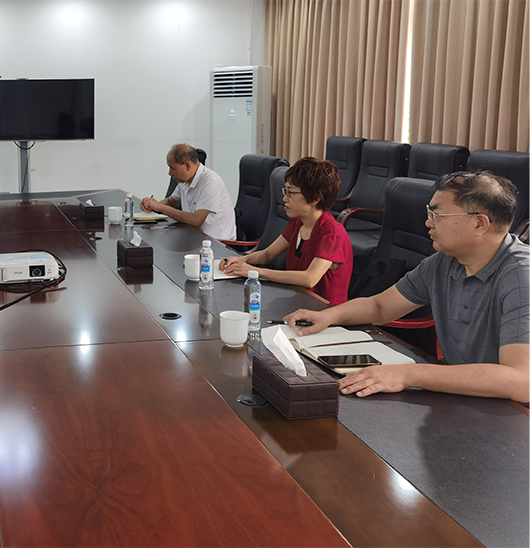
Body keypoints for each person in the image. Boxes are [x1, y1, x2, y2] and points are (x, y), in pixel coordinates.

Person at [285, 171, 530, 402]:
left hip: (512, 413)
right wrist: (328, 316)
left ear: (479, 224)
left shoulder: (521, 276)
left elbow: (521, 381)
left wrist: (406, 374)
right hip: (461, 394)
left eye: (437, 215)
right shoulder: (444, 262)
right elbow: (380, 306)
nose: (428, 223)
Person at [220, 157, 353, 305]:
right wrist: (242, 260)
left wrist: (255, 271)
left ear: (315, 198)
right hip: (297, 301)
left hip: (323, 311)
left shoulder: (332, 233)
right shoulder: (297, 223)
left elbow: (309, 279)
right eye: (285, 191)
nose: (284, 198)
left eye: (290, 192)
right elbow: (267, 254)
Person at [139, 144, 236, 240]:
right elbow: (170, 202)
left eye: (172, 168)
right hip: (195, 236)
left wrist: (160, 207)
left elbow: (196, 220)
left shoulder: (210, 182)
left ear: (187, 165)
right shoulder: (185, 181)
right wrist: (152, 205)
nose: (169, 173)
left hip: (218, 243)